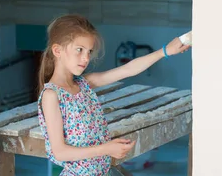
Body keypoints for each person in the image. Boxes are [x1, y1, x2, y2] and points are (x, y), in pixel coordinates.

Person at [37, 14, 191, 176]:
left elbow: (128, 69)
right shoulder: (51, 95)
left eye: (89, 51)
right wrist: (107, 148)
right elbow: (60, 152)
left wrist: (166, 51)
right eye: (79, 50)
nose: (86, 58)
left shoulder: (84, 84)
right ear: (57, 50)